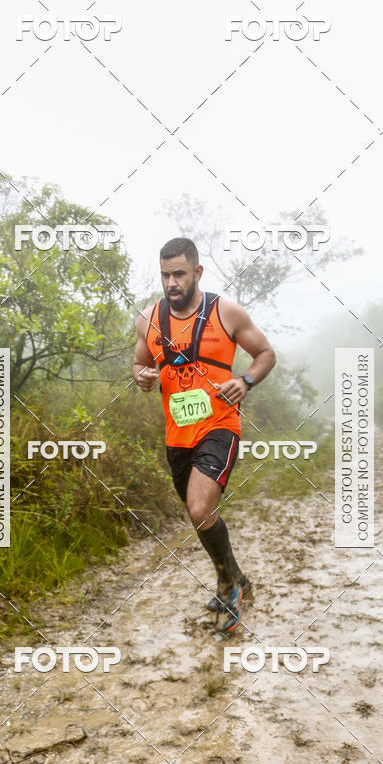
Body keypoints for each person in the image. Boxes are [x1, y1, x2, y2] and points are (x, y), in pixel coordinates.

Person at [132, 237, 276, 633]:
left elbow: (266, 354)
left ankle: (229, 588)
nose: (171, 283)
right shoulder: (149, 319)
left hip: (220, 426)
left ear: (197, 272)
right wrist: (142, 377)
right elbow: (140, 363)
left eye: (179, 274)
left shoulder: (225, 312)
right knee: (201, 516)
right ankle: (237, 576)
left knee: (199, 507)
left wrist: (245, 381)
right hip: (177, 435)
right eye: (165, 275)